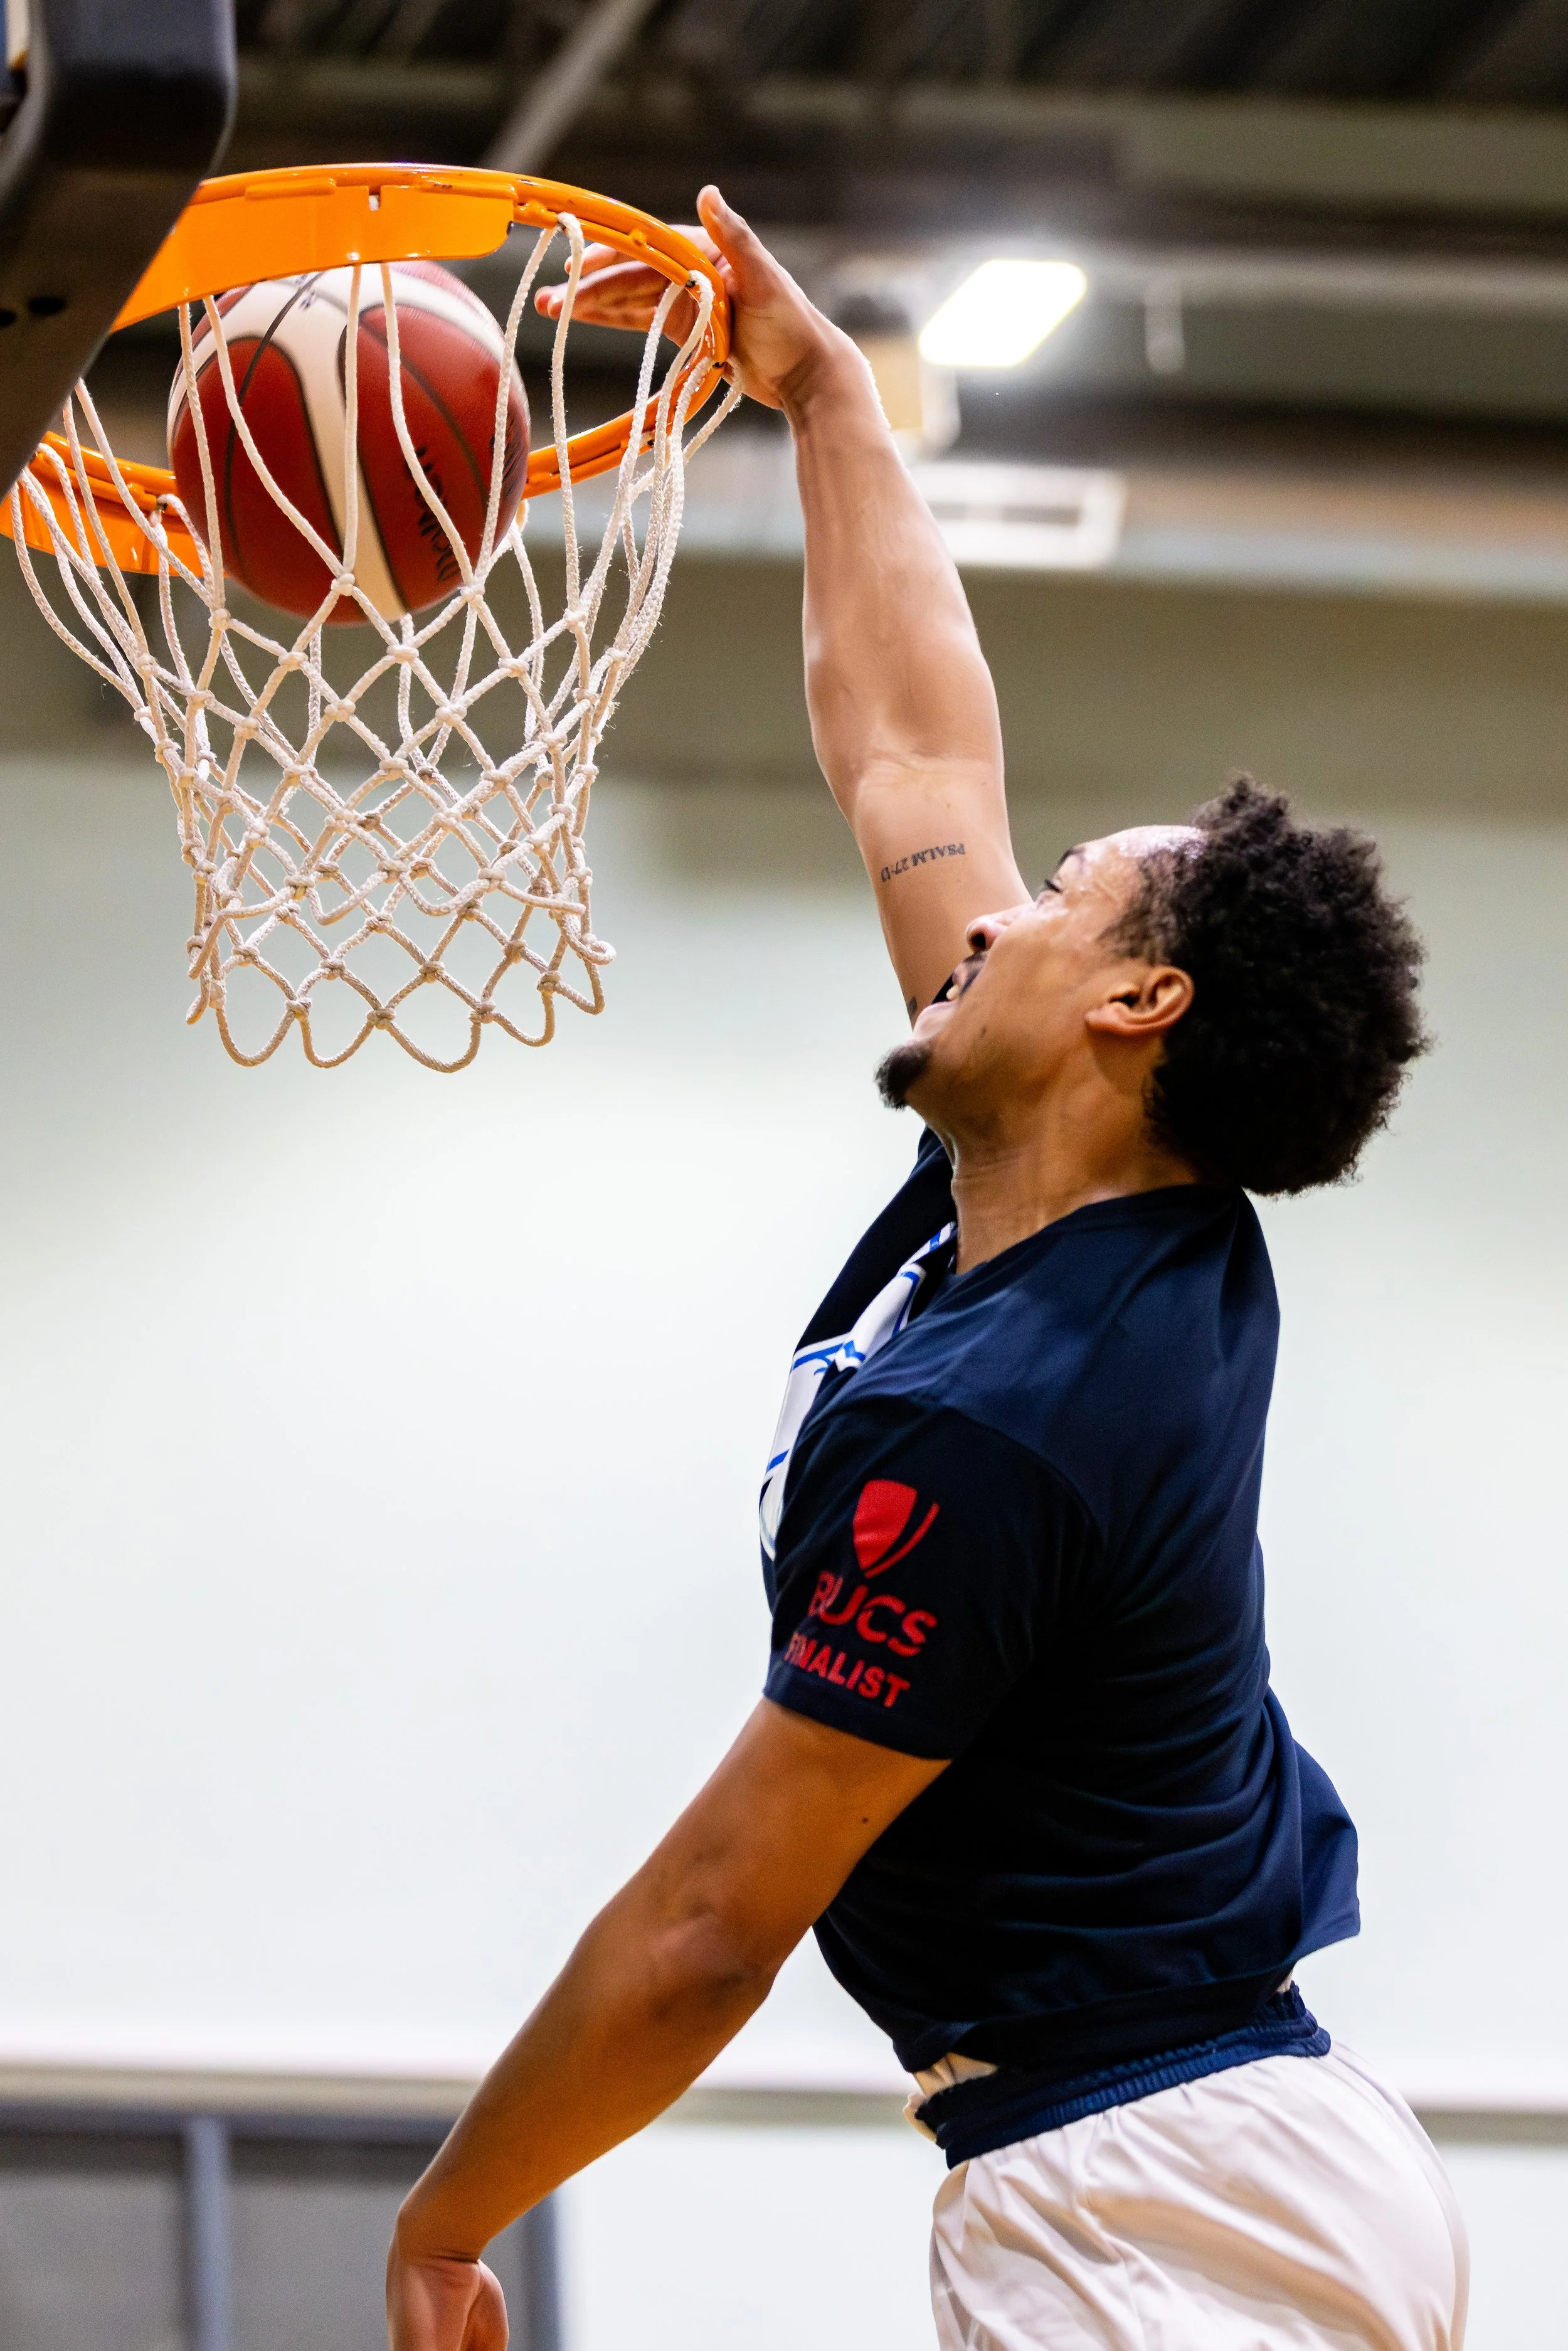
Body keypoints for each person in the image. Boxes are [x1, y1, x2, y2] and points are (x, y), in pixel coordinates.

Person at [385, 188, 1466, 2351]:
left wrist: (446, 2213)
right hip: (1189, 2149)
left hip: (1155, 2184)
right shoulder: (1074, 1208)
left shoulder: (1001, 1416)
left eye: (1054, 894)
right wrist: (821, 400)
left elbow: (712, 1923)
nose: (987, 907)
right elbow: (912, 751)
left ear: (1134, 1005)